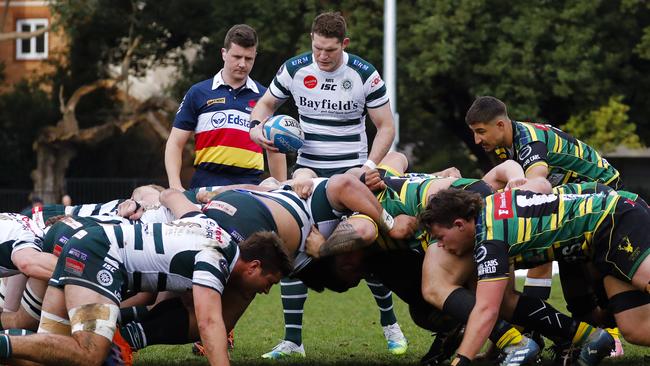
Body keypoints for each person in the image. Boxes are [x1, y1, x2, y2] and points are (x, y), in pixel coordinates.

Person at [248, 12, 404, 358]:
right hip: (308, 176)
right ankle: (293, 341)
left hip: (352, 177)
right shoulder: (295, 69)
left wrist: (367, 166)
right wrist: (257, 129)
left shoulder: (365, 74)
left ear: (344, 45)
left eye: (330, 50)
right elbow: (265, 105)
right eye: (317, 48)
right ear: (311, 40)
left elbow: (386, 126)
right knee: (292, 250)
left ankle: (391, 324)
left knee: (368, 251)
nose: (322, 56)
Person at [0, 189, 292, 366]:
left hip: (87, 243)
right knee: (90, 354)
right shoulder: (216, 258)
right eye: (269, 282)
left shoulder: (210, 226)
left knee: (51, 355)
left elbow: (175, 198)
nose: (266, 291)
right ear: (253, 266)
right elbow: (208, 322)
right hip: (98, 254)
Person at [464, 95, 627, 354]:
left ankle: (611, 334)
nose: (477, 140)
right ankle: (554, 333)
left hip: (601, 190)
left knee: (592, 265)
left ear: (501, 125)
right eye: (473, 133)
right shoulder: (503, 146)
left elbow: (538, 183)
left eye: (480, 132)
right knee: (567, 273)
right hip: (571, 195)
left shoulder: (529, 141)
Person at [420, 188, 650, 365]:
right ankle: (589, 337)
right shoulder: (489, 210)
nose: (440, 246)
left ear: (459, 225)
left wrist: (461, 360)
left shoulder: (490, 238)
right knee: (635, 329)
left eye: (440, 237)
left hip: (615, 220)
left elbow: (486, 310)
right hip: (605, 235)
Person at [165, 24, 266, 190]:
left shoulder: (266, 97)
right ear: (224, 54)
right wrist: (175, 186)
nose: (242, 64)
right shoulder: (198, 92)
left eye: (249, 59)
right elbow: (175, 143)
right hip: (206, 183)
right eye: (237, 56)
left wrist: (280, 189)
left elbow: (275, 147)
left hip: (250, 186)